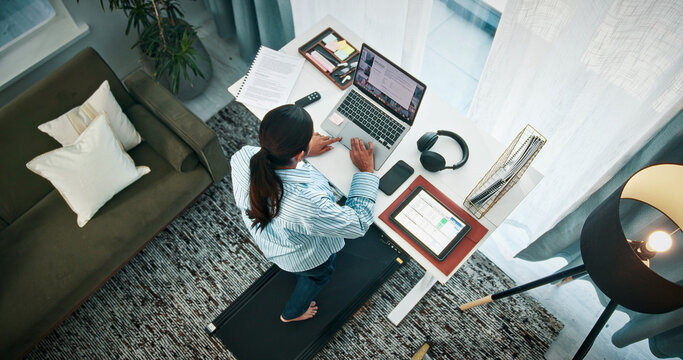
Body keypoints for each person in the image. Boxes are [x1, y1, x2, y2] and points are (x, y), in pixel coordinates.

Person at [230, 104, 378, 322]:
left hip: (270, 238)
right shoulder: (307, 204)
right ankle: (292, 313)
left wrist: (301, 154)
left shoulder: (243, 156)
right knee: (319, 276)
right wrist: (366, 172)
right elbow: (357, 224)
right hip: (305, 258)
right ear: (300, 152)